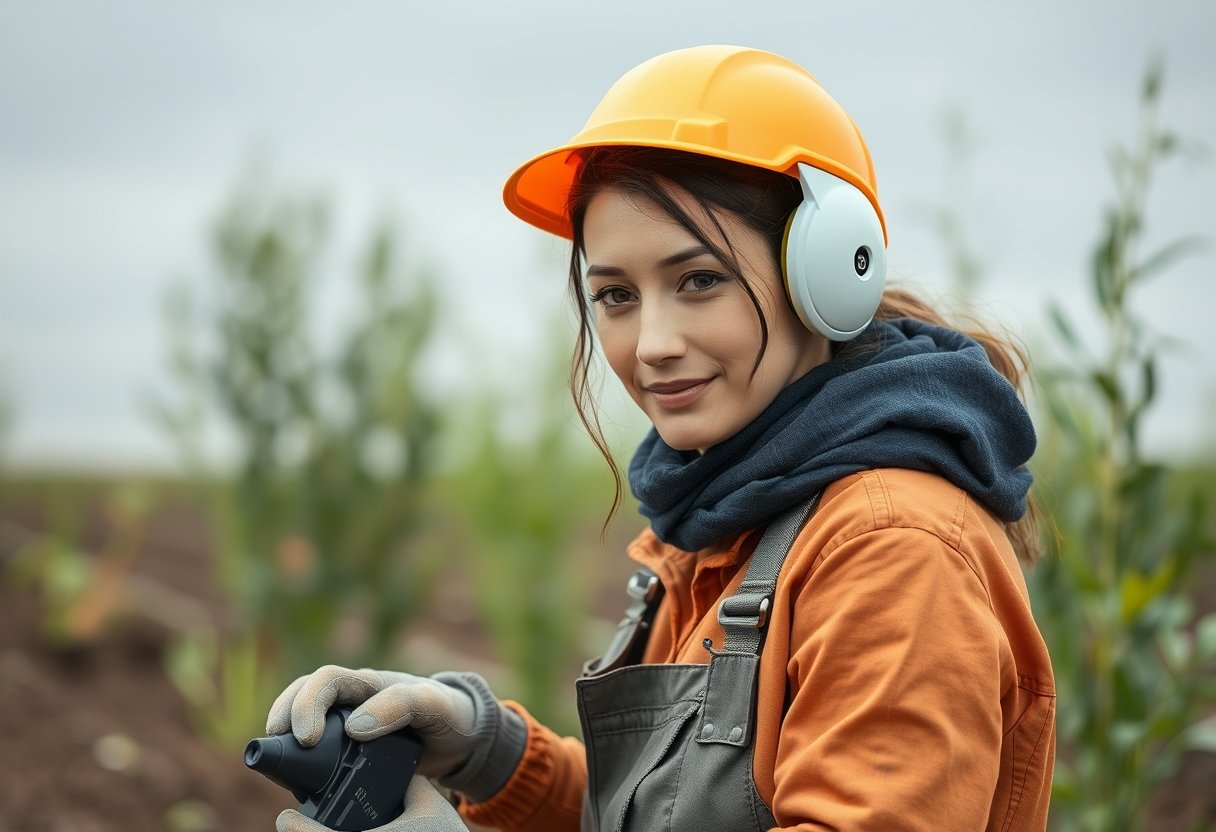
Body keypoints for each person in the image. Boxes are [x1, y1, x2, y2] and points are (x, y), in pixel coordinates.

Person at [267, 45, 1056, 832]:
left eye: (698, 280)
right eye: (615, 295)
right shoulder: (729, 516)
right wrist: (486, 750)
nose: (650, 344)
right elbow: (662, 813)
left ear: (826, 277)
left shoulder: (892, 548)